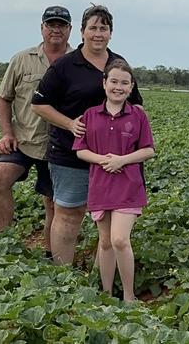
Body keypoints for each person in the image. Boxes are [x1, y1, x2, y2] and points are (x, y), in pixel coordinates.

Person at [31, 4, 143, 265]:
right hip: (71, 154)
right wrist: (70, 124)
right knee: (69, 214)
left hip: (113, 159)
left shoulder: (118, 64)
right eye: (92, 28)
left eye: (103, 28)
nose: (98, 34)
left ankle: (100, 281)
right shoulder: (65, 66)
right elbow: (39, 104)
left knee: (109, 219)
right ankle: (63, 276)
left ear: (111, 33)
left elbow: (137, 105)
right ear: (81, 32)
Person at [0, 5, 73, 259]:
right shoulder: (22, 59)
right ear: (42, 28)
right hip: (24, 140)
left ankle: (51, 255)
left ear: (70, 30)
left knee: (52, 202)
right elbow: (4, 98)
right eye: (51, 24)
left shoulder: (78, 62)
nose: (55, 29)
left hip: (59, 145)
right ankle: (3, 242)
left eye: (61, 25)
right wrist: (7, 133)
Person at [73, 59, 155, 301]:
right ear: (104, 83)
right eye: (114, 81)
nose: (118, 87)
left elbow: (148, 150)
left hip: (128, 185)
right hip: (100, 185)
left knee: (120, 239)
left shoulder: (138, 115)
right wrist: (102, 160)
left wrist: (122, 160)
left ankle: (129, 297)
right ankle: (106, 294)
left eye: (125, 83)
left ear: (131, 88)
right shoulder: (89, 115)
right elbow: (80, 150)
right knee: (106, 242)